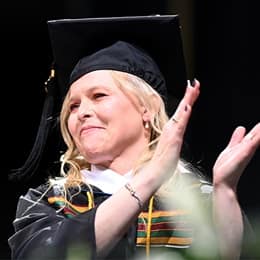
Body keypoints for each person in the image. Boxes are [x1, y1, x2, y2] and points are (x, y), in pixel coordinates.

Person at [8, 15, 260, 260]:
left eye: (99, 96)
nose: (82, 112)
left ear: (146, 110)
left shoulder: (197, 200)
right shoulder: (51, 200)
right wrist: (150, 177)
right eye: (73, 106)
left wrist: (225, 191)